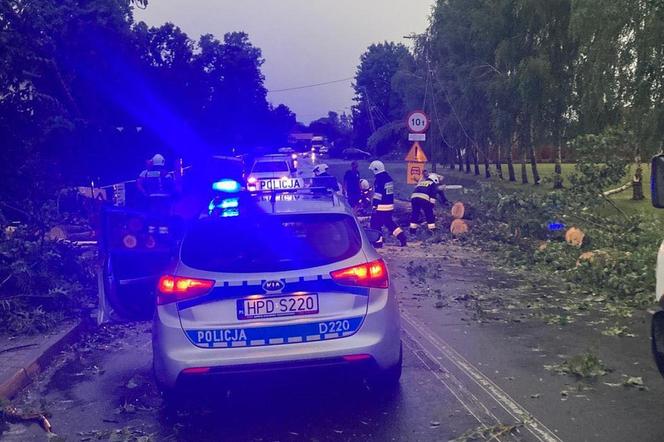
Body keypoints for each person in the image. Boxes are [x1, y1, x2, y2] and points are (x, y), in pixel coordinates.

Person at [369, 160, 407, 247]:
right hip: (389, 205)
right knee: (389, 223)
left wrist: (374, 205)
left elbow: (378, 195)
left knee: (375, 223)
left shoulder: (379, 180)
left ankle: (377, 243)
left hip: (381, 206)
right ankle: (402, 237)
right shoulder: (388, 178)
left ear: (376, 169)